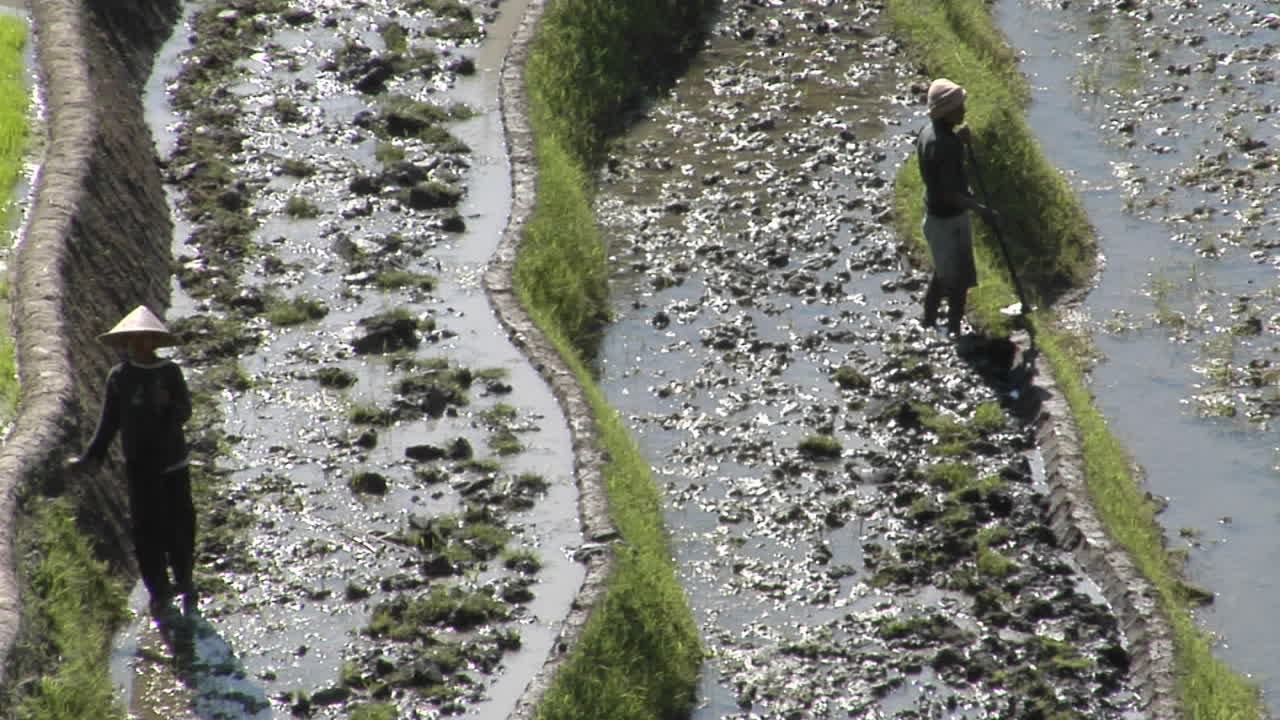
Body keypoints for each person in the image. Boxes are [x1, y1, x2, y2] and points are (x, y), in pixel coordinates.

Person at [66, 305, 197, 617]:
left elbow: (185, 411)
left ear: (154, 342)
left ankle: (185, 581)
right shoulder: (119, 377)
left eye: (145, 339)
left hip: (173, 464)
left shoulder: (170, 373)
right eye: (133, 340)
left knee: (180, 526)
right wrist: (90, 459)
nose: (139, 345)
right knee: (146, 531)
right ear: (126, 343)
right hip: (139, 466)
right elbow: (109, 422)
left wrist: (168, 407)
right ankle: (159, 591)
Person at [915, 78, 999, 337]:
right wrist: (982, 210)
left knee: (943, 273)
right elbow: (951, 194)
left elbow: (940, 172)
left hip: (935, 215)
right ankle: (953, 330)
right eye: (959, 107)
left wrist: (958, 140)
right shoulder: (946, 144)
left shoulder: (930, 132)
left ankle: (929, 322)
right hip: (948, 220)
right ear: (946, 111)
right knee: (957, 280)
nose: (964, 110)